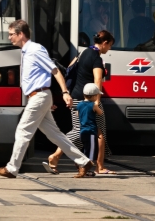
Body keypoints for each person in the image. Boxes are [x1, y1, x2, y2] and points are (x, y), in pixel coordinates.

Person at [0, 20, 92, 179]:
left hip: (39, 96)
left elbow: (55, 71)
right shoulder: (25, 51)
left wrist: (65, 92)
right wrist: (46, 101)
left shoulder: (35, 50)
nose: (9, 38)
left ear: (21, 34)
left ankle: (12, 168)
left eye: (12, 34)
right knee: (55, 135)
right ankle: (84, 162)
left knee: (23, 131)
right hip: (39, 97)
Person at [46, 30, 115, 176]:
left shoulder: (83, 52)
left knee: (79, 130)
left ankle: (60, 157)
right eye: (109, 46)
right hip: (89, 98)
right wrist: (96, 101)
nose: (109, 49)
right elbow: (97, 80)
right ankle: (99, 166)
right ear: (105, 43)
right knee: (97, 131)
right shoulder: (96, 58)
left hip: (76, 95)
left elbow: (71, 68)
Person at [74, 82, 103, 178]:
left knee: (85, 149)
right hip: (91, 131)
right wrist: (96, 106)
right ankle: (85, 169)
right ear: (94, 96)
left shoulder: (79, 104)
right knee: (91, 151)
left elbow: (77, 115)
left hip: (82, 131)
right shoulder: (93, 105)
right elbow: (100, 113)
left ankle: (81, 165)